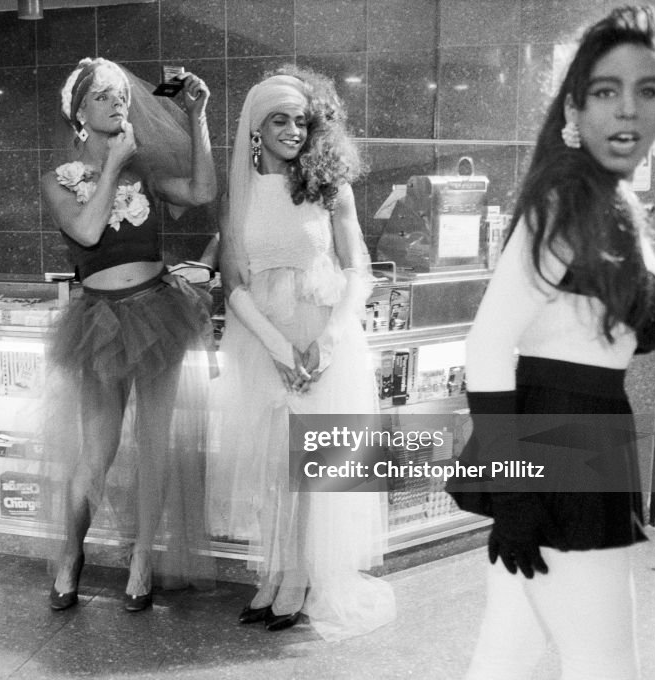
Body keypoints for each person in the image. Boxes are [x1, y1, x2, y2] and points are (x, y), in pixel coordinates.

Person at [446, 7, 655, 678]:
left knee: (508, 652)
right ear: (574, 108)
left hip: (575, 434)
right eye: (606, 91)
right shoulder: (566, 200)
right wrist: (517, 495)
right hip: (559, 445)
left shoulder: (606, 201)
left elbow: (596, 340)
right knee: (606, 665)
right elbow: (488, 345)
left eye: (647, 90)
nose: (629, 110)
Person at [211, 66, 395, 640]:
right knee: (272, 470)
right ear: (255, 130)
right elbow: (232, 279)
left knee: (310, 467)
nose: (293, 130)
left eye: (301, 120)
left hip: (323, 337)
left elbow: (356, 266)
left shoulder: (328, 185)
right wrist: (276, 347)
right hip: (263, 341)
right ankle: (274, 574)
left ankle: (298, 581)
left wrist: (327, 340)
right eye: (279, 120)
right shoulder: (237, 192)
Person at [41, 57, 217, 612]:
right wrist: (112, 166)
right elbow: (88, 230)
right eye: (102, 97)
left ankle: (142, 559)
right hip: (100, 322)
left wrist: (199, 117)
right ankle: (71, 553)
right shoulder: (58, 180)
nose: (118, 103)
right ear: (79, 115)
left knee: (155, 448)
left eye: (121, 95)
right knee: (98, 451)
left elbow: (200, 190)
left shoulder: (145, 167)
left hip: (160, 310)